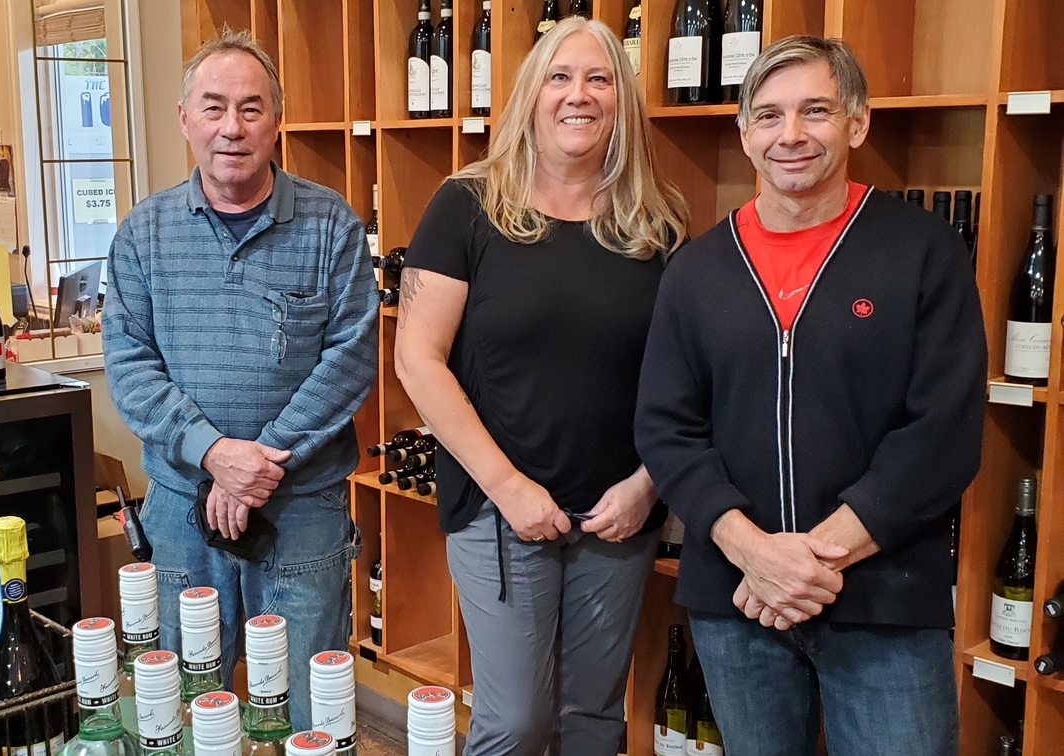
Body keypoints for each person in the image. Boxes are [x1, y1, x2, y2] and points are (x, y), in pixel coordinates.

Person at [635, 36, 985, 755]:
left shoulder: (922, 251)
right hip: (737, 603)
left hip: (885, 601)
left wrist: (805, 562)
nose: (790, 135)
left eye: (815, 111)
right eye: (768, 115)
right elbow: (667, 429)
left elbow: (943, 431)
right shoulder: (697, 270)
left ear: (856, 123)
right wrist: (753, 552)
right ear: (744, 133)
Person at [394, 17, 687, 756]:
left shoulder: (656, 226)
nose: (578, 95)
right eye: (559, 77)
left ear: (622, 102)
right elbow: (416, 359)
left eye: (599, 79)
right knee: (517, 722)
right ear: (529, 95)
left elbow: (690, 380)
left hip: (616, 515)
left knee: (592, 720)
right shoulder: (467, 206)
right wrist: (508, 488)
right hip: (498, 509)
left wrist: (647, 487)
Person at [102, 27, 378, 730]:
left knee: (309, 705)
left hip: (302, 506)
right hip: (180, 508)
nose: (233, 127)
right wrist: (215, 454)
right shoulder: (143, 233)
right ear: (185, 119)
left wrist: (259, 463)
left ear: (276, 121)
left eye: (252, 109)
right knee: (188, 702)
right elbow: (131, 368)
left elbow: (351, 357)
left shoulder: (331, 226)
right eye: (215, 107)